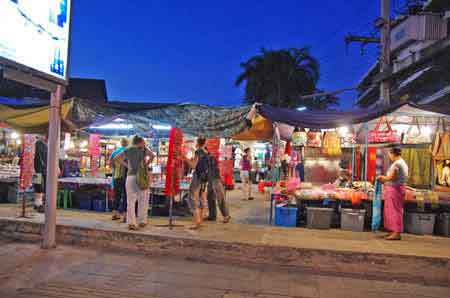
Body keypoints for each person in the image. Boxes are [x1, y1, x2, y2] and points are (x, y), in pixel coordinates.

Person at [114, 136, 155, 230]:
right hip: (142, 177)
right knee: (143, 199)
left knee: (130, 201)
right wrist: (146, 164)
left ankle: (131, 223)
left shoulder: (128, 150)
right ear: (140, 142)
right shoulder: (144, 149)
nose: (144, 144)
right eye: (143, 142)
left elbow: (116, 158)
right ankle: (142, 221)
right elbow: (152, 155)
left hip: (130, 177)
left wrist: (127, 166)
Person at [377, 147, 409, 241]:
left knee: (395, 211)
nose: (389, 156)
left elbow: (392, 177)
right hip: (395, 189)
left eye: (389, 154)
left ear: (393, 153)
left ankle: (396, 233)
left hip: (395, 190)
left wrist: (382, 178)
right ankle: (393, 231)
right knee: (392, 211)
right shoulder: (401, 162)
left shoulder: (398, 164)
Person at [183, 137, 210, 229]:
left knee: (192, 197)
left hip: (197, 176)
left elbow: (193, 165)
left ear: (197, 142)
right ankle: (200, 220)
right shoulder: (206, 152)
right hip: (205, 177)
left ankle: (197, 220)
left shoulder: (198, 152)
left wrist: (185, 158)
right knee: (202, 197)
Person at [205, 148, 231, 223]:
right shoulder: (207, 157)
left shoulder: (211, 157)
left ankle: (226, 215)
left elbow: (214, 168)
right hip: (210, 179)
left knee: (220, 197)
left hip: (215, 179)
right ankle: (212, 215)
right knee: (210, 197)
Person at [110, 138, 129, 222]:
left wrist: (116, 168)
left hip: (116, 176)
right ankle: (125, 215)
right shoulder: (128, 151)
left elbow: (111, 164)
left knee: (117, 195)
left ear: (121, 143)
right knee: (125, 196)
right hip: (125, 176)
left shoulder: (114, 152)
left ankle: (115, 213)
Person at [33, 136, 47, 213]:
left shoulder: (42, 144)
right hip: (39, 169)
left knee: (38, 185)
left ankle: (37, 203)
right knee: (39, 186)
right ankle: (39, 204)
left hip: (37, 169)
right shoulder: (40, 144)